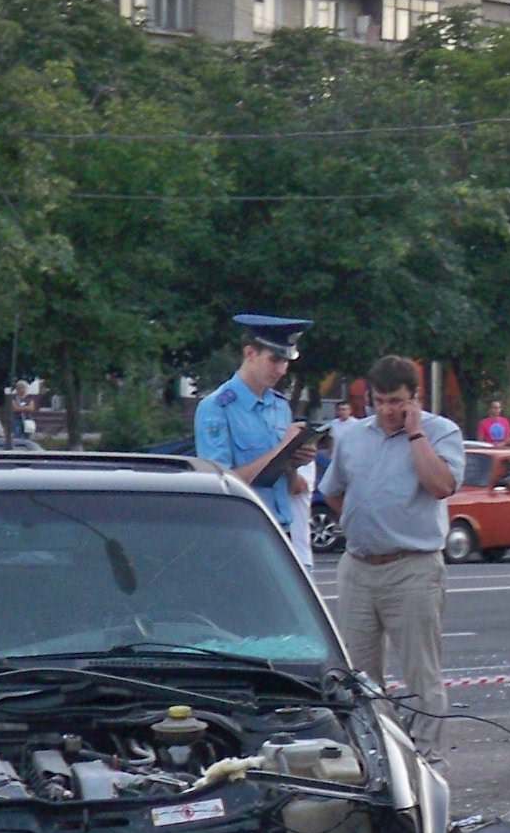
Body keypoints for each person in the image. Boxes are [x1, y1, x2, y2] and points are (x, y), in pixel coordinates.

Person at [322, 356, 464, 755]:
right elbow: (333, 491)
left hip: (413, 569)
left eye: (397, 401)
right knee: (358, 676)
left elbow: (441, 486)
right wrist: (362, 518)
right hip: (360, 568)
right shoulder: (353, 436)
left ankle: (429, 760)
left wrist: (415, 435)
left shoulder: (440, 432)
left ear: (414, 399)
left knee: (422, 675)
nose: (387, 410)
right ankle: (376, 754)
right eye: (380, 400)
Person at [195, 314, 319, 563]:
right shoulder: (217, 408)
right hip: (240, 535)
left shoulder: (279, 406)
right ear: (250, 353)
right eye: (274, 360)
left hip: (281, 531)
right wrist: (282, 447)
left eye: (285, 362)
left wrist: (295, 462)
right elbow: (219, 483)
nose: (281, 370)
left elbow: (288, 483)